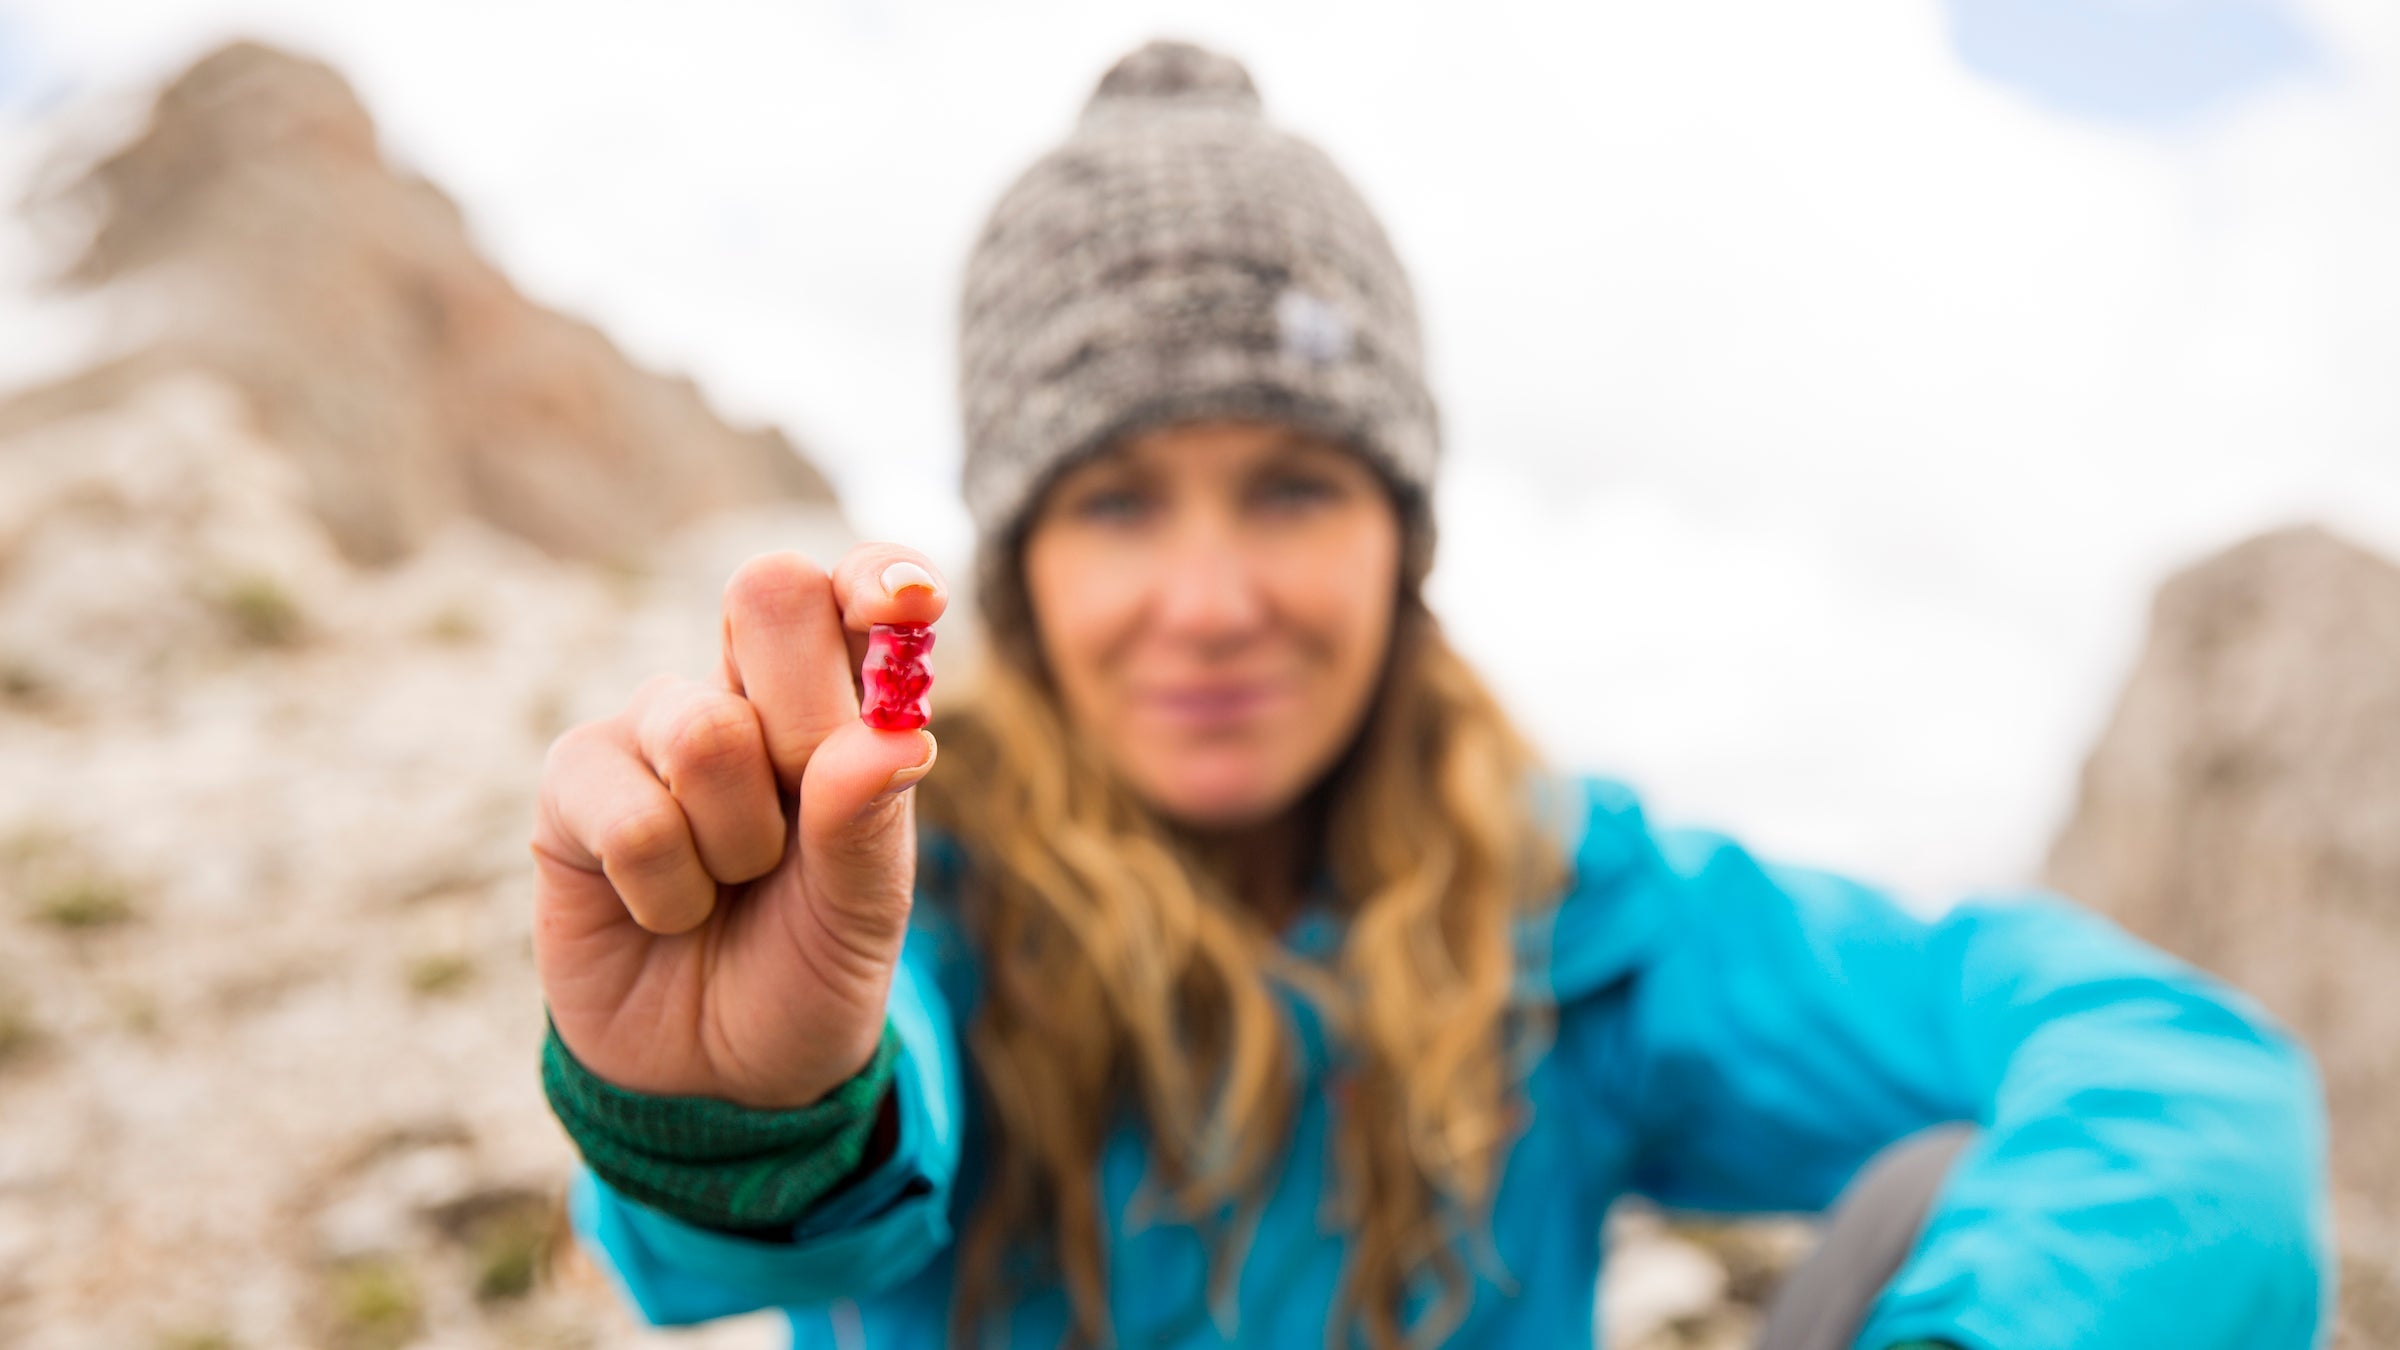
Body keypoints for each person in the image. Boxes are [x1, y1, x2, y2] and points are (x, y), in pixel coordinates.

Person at [528, 38, 2331, 1350]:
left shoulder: (1578, 920)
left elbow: (2189, 1081)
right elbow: (749, 1235)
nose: (1210, 602)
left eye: (1292, 487)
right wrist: (755, 1113)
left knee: (1942, 1192)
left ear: (1402, 546)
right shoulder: (915, 903)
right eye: (1120, 502)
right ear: (1023, 573)